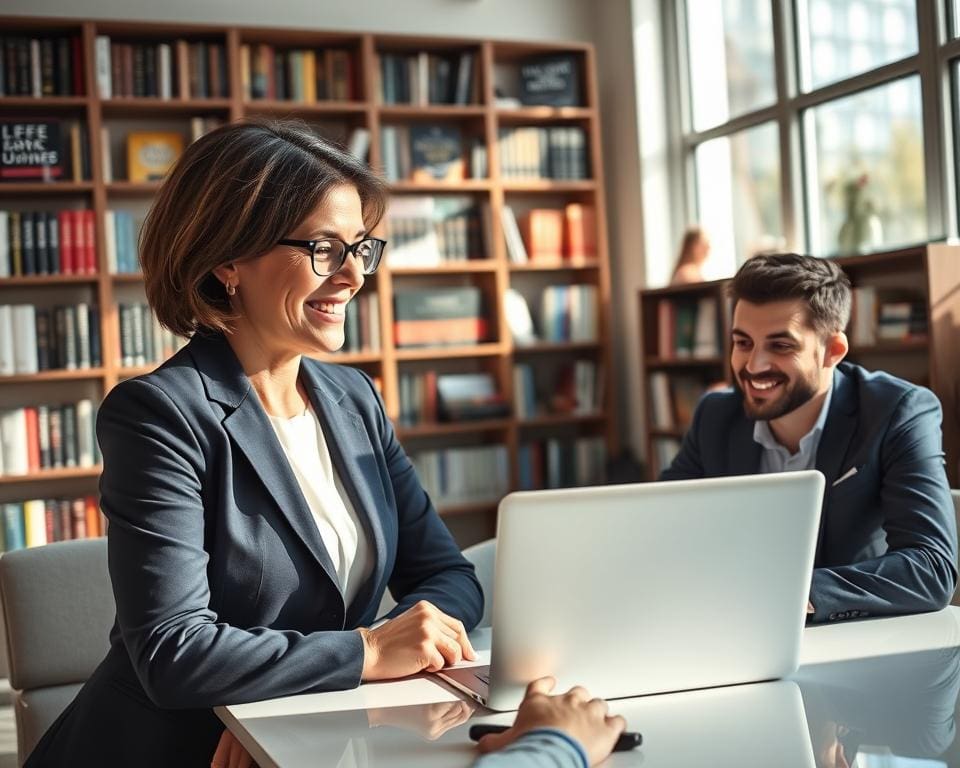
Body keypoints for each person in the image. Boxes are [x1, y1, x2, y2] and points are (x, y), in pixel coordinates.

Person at [25, 120, 483, 767]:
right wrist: (370, 652)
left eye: (360, 247)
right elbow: (172, 650)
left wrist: (375, 647)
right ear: (228, 262)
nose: (352, 275)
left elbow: (446, 574)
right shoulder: (160, 414)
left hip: (303, 738)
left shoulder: (354, 400)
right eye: (324, 248)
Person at [660, 252, 957, 622]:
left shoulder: (898, 411)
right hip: (731, 627)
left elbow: (931, 568)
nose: (754, 366)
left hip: (852, 637)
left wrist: (796, 596)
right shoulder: (715, 415)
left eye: (780, 346)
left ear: (832, 351)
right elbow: (660, 527)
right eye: (743, 343)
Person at [211, 677, 627, 768]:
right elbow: (171, 642)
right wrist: (556, 746)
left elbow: (451, 574)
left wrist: (391, 639)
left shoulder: (369, 444)